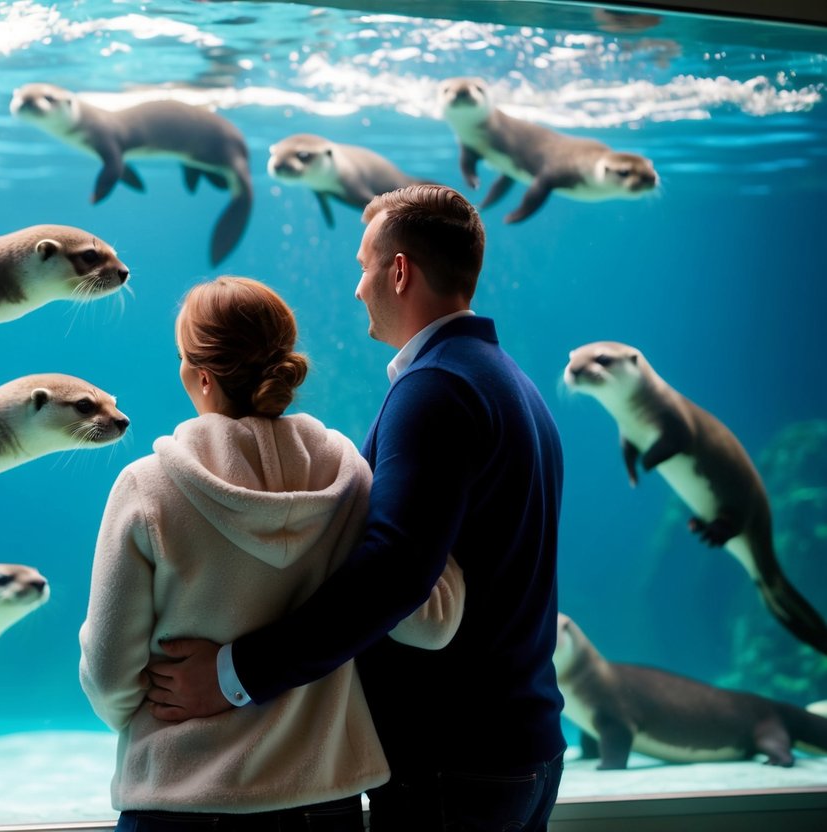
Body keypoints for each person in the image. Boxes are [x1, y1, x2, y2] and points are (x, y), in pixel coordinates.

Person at [146, 185, 566, 831]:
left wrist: (234, 675)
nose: (356, 287)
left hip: (453, 758)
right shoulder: (511, 383)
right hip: (519, 743)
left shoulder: (436, 389)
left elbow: (394, 573)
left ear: (398, 272)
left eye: (363, 265)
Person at [79, 275, 465, 832]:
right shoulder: (352, 478)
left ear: (200, 374)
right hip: (321, 804)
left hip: (177, 798)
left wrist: (147, 720)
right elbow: (425, 625)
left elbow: (111, 673)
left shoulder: (147, 487)